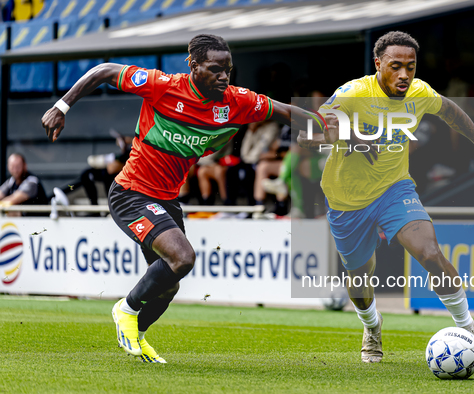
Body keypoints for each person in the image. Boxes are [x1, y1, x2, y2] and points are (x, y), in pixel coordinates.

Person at [42, 34, 323, 363]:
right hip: (131, 192)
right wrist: (62, 106)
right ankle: (126, 309)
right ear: (193, 66)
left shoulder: (236, 101)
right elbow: (104, 70)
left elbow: (285, 111)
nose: (223, 77)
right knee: (183, 258)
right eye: (215, 69)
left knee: (170, 284)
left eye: (228, 71)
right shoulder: (162, 85)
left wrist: (321, 125)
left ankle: (138, 335)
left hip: (167, 200)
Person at [298, 31, 474, 363]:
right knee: (360, 279)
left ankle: (470, 328)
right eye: (395, 66)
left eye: (410, 66)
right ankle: (372, 326)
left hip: (395, 189)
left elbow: (450, 111)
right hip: (347, 201)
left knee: (430, 252)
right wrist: (355, 137)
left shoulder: (418, 92)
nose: (404, 74)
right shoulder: (352, 94)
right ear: (378, 64)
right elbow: (308, 134)